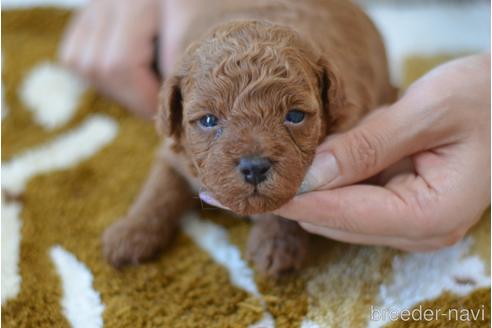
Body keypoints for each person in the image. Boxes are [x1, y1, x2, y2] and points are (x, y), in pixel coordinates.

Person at [60, 0, 491, 252]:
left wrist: (280, 219)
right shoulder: (179, 121)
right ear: (170, 114)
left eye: (294, 116)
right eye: (209, 121)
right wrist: (147, 220)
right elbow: (173, 159)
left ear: (330, 103)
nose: (253, 157)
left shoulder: (349, 110)